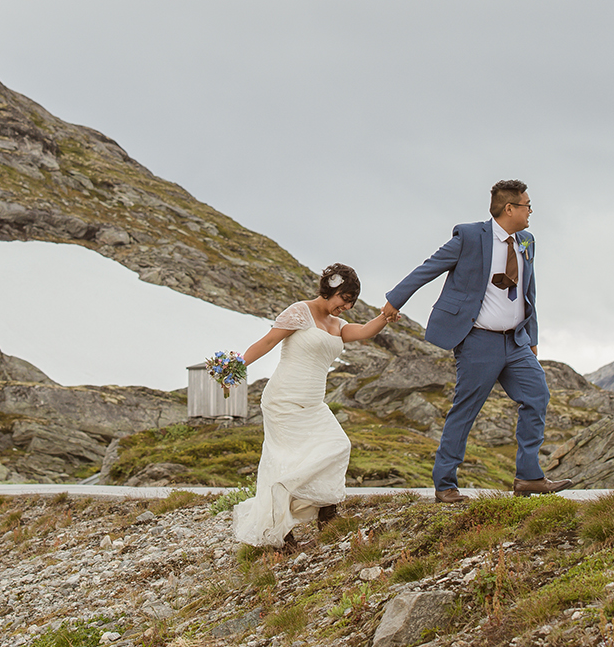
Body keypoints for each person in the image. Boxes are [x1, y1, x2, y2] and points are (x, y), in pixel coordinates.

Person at [381, 179, 570, 503]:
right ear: (509, 208)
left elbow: (529, 291)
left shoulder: (526, 241)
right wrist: (395, 301)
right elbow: (430, 268)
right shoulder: (469, 236)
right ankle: (445, 485)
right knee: (466, 410)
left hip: (516, 342)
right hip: (477, 341)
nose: (530, 211)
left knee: (537, 395)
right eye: (526, 205)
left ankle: (528, 477)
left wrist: (532, 337)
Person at [232, 263, 400, 548]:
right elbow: (268, 341)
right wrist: (235, 367)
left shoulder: (337, 325)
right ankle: (281, 532)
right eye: (344, 299)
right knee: (285, 462)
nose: (347, 306)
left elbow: (364, 331)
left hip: (313, 402)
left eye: (352, 301)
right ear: (330, 290)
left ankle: (327, 511)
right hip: (283, 399)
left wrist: (386, 315)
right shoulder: (299, 311)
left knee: (337, 445)